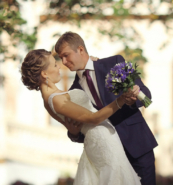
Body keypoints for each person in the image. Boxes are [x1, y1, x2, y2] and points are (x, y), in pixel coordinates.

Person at [20, 49, 142, 185]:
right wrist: (122, 100)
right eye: (55, 64)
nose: (59, 66)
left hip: (102, 138)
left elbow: (73, 125)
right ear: (44, 74)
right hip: (102, 140)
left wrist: (89, 65)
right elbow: (93, 118)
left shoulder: (53, 96)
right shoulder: (54, 100)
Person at [54, 31, 158, 185]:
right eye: (60, 57)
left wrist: (135, 97)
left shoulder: (113, 63)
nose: (63, 61)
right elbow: (85, 131)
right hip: (108, 158)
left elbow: (146, 95)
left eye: (66, 55)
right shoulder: (74, 92)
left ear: (80, 50)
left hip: (137, 146)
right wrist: (74, 133)